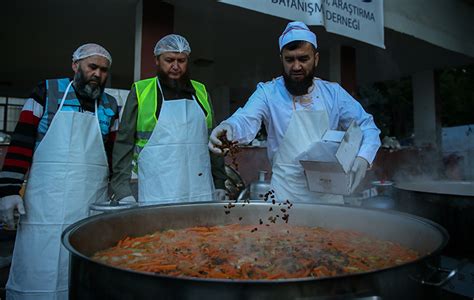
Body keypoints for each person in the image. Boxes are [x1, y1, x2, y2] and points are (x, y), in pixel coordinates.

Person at [209, 21, 381, 204]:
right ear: (281, 59)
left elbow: (367, 126)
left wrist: (364, 157)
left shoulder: (334, 93)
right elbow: (245, 119)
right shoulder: (268, 93)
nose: (296, 66)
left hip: (328, 196)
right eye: (289, 59)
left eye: (303, 59)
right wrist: (229, 128)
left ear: (316, 58)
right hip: (284, 197)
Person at [0, 43, 119, 299]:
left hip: (89, 203)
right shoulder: (47, 92)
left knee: (82, 268)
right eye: (92, 67)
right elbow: (21, 142)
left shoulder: (110, 105)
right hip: (45, 207)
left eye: (104, 70)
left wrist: (118, 192)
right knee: (39, 267)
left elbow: (112, 156)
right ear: (76, 66)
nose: (98, 74)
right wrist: (9, 190)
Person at [110, 34, 227, 205]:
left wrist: (219, 183)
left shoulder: (201, 92)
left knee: (202, 232)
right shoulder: (141, 92)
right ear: (157, 60)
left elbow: (213, 142)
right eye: (169, 60)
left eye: (181, 60)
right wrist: (122, 190)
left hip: (200, 190)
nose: (175, 66)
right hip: (157, 191)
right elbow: (124, 143)